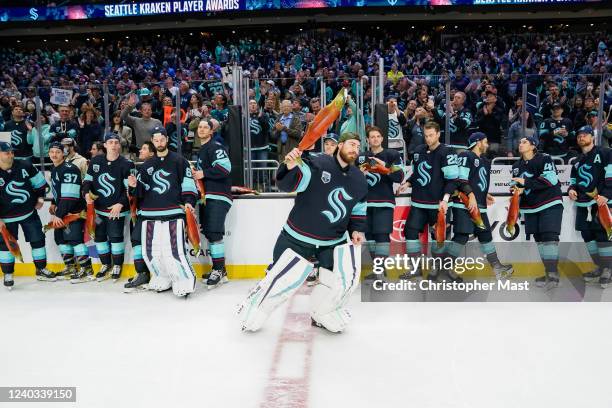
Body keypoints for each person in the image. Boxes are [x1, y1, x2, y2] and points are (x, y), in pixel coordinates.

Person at [238, 132, 368, 333]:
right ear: (339, 146)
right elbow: (289, 184)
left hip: (332, 241)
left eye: (358, 147)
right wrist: (290, 165)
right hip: (297, 236)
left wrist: (357, 229)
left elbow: (358, 207)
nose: (355, 149)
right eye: (351, 144)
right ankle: (253, 311)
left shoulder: (359, 179)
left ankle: (323, 313)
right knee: (280, 280)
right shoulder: (318, 162)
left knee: (337, 282)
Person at [127, 126, 198, 297]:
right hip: (149, 215)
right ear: (152, 141)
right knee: (151, 251)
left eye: (162, 139)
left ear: (167, 139)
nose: (159, 143)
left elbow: (188, 184)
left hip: (173, 212)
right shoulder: (146, 166)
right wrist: (133, 187)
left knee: (174, 249)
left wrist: (189, 202)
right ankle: (161, 277)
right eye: (156, 140)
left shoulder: (179, 161)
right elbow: (140, 193)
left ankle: (184, 279)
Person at [398, 121, 459, 280]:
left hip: (439, 205)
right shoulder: (419, 151)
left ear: (438, 134)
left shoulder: (447, 152)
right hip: (418, 202)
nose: (428, 139)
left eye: (431, 135)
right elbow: (417, 173)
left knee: (438, 237)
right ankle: (415, 269)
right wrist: (407, 183)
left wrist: (445, 199)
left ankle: (436, 269)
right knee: (410, 232)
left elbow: (453, 180)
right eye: (426, 135)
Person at [448, 132, 513, 280]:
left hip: (479, 205)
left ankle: (497, 268)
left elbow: (476, 181)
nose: (487, 144)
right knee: (461, 236)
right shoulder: (466, 156)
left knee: (485, 235)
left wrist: (484, 194)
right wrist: (471, 195)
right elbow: (461, 179)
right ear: (478, 142)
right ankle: (445, 269)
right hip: (464, 204)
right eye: (485, 141)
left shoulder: (484, 160)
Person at [0, 141, 56, 289]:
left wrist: (40, 197)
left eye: (12, 152)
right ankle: (8, 274)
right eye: (7, 152)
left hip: (28, 212)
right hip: (5, 218)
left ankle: (41, 269)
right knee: (6, 246)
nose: (11, 155)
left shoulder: (25, 165)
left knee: (38, 240)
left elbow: (40, 183)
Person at [511, 137, 563, 289]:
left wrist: (525, 183)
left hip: (550, 202)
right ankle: (549, 272)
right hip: (530, 207)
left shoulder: (545, 159)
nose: (520, 144)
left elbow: (550, 180)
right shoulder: (516, 165)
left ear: (533, 146)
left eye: (524, 142)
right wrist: (515, 193)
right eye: (519, 142)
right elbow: (515, 184)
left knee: (549, 237)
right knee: (539, 239)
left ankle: (553, 275)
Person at [82, 133, 135, 282]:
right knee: (99, 237)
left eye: (116, 142)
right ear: (104, 145)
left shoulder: (127, 164)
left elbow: (130, 190)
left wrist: (120, 204)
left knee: (115, 237)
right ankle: (105, 264)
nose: (113, 145)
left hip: (116, 210)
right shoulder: (96, 161)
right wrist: (86, 194)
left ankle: (117, 265)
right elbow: (87, 181)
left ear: (119, 145)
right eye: (110, 142)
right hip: (98, 210)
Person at [567, 126, 612, 288]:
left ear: (592, 137)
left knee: (602, 234)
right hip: (583, 203)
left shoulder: (605, 153)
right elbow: (573, 181)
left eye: (584, 135)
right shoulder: (578, 160)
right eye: (579, 135)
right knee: (587, 235)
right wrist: (571, 190)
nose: (581, 137)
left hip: (601, 202)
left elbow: (611, 174)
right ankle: (601, 267)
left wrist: (607, 194)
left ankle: (608, 269)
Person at [359, 126, 403, 281]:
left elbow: (399, 177)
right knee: (370, 236)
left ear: (382, 138)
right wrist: (360, 174)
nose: (375, 139)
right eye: (372, 137)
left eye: (378, 136)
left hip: (384, 201)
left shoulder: (392, 154)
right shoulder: (361, 156)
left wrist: (384, 168)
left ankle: (379, 273)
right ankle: (379, 270)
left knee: (382, 236)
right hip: (365, 203)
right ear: (367, 140)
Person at [192, 120, 233, 289]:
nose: (201, 129)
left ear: (211, 131)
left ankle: (218, 269)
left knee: (215, 233)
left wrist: (203, 173)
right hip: (208, 197)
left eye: (205, 127)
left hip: (218, 195)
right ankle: (220, 270)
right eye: (199, 127)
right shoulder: (202, 150)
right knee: (210, 232)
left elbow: (225, 168)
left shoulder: (215, 147)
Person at [49, 141, 94, 283]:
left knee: (75, 239)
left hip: (74, 212)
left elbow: (70, 196)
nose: (54, 154)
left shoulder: (69, 169)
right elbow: (61, 191)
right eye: (52, 152)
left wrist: (58, 214)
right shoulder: (56, 168)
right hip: (63, 211)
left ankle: (87, 270)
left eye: (58, 152)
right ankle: (71, 267)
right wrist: (54, 203)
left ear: (64, 153)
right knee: (61, 239)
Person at [123, 141, 155, 293]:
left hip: (150, 212)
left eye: (144, 148)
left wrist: (135, 187)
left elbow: (145, 192)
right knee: (136, 240)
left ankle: (146, 273)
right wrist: (132, 187)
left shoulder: (149, 168)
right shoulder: (141, 169)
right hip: (140, 211)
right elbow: (136, 193)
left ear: (152, 153)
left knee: (139, 240)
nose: (140, 151)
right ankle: (142, 273)